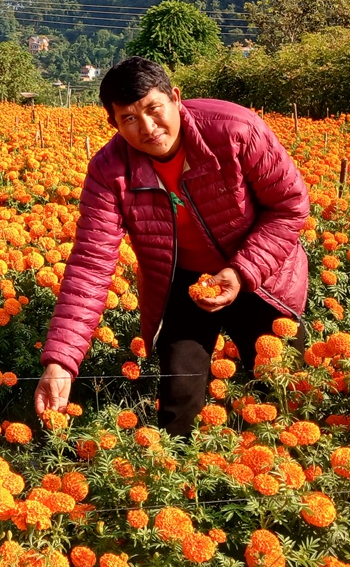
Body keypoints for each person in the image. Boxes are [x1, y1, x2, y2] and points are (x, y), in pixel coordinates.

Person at [34, 57, 310, 436]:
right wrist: (61, 362)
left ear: (176, 98)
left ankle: (279, 466)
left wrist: (241, 271)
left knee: (281, 388)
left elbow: (289, 206)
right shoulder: (109, 171)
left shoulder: (235, 130)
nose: (148, 128)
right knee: (179, 401)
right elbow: (90, 265)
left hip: (260, 272)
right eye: (129, 118)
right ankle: (182, 469)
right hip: (183, 282)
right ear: (114, 124)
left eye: (154, 109)